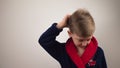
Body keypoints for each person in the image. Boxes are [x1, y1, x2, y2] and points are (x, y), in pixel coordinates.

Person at [38, 8, 107, 68]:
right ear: (70, 33)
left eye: (88, 39)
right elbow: (43, 41)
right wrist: (60, 25)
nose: (84, 43)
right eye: (80, 40)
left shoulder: (98, 52)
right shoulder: (62, 51)